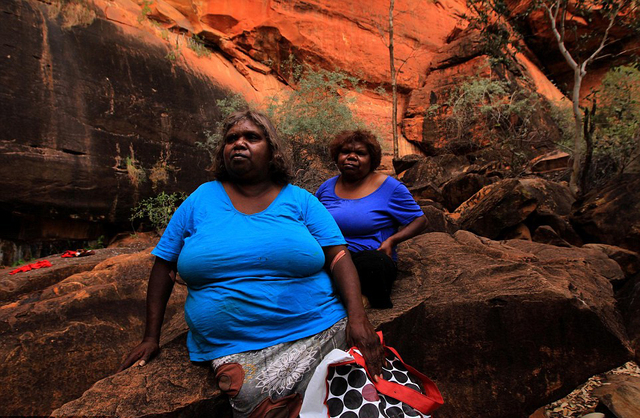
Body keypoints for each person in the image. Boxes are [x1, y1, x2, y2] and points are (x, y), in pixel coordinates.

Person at [118, 111, 384, 417]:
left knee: (363, 403)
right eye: (232, 139)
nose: (239, 144)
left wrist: (358, 317)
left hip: (320, 329)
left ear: (272, 150)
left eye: (251, 137)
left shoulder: (300, 200)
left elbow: (338, 256)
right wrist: (151, 337)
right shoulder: (200, 200)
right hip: (236, 348)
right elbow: (164, 264)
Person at [316, 130, 427, 309]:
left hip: (368, 258)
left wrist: (392, 241)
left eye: (360, 153)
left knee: (374, 265)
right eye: (345, 152)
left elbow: (420, 220)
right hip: (333, 256)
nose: (351, 157)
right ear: (337, 156)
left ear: (372, 159)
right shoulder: (327, 188)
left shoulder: (389, 187)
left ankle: (364, 303)